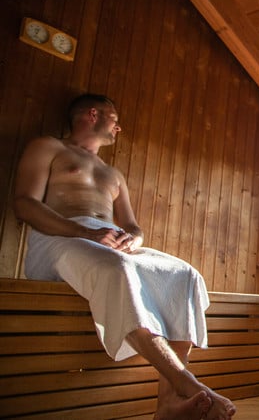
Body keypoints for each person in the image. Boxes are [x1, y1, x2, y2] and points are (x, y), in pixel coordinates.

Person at [13, 94, 236, 420]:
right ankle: (185, 381)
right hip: (59, 237)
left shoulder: (112, 173)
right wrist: (85, 233)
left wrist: (133, 239)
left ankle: (167, 404)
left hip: (107, 242)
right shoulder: (49, 148)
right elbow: (24, 204)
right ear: (93, 114)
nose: (119, 127)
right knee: (117, 267)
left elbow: (131, 225)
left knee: (184, 274)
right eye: (114, 118)